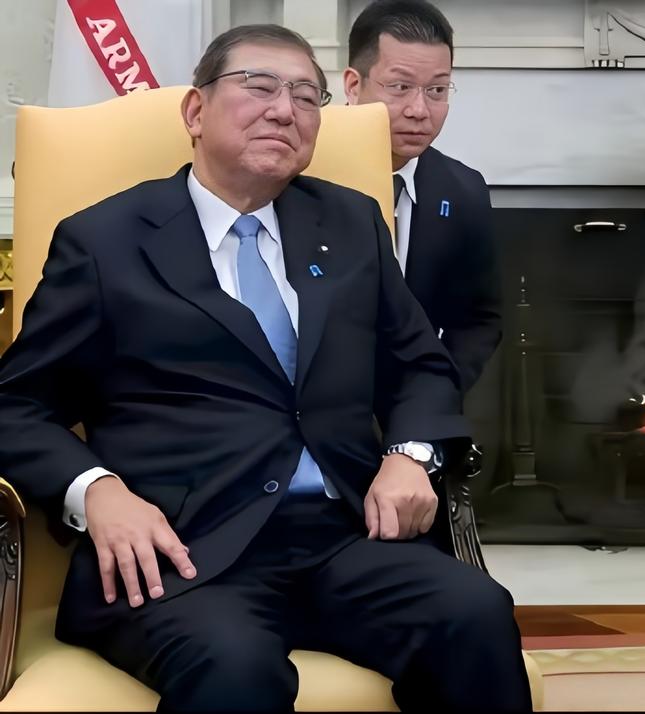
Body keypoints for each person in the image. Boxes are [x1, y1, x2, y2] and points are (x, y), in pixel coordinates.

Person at [0, 24, 530, 711]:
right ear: (196, 111)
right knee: (236, 670)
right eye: (260, 87)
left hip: (345, 538)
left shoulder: (350, 223)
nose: (285, 110)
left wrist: (411, 453)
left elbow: (421, 366)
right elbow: (16, 407)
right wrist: (97, 492)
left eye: (307, 97)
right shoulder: (106, 241)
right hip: (183, 554)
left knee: (475, 612)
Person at [343, 0, 501, 394]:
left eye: (436, 90)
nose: (419, 110)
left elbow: (478, 319)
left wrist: (437, 395)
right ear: (353, 86)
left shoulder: (463, 190)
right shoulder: (299, 176)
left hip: (417, 404)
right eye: (400, 87)